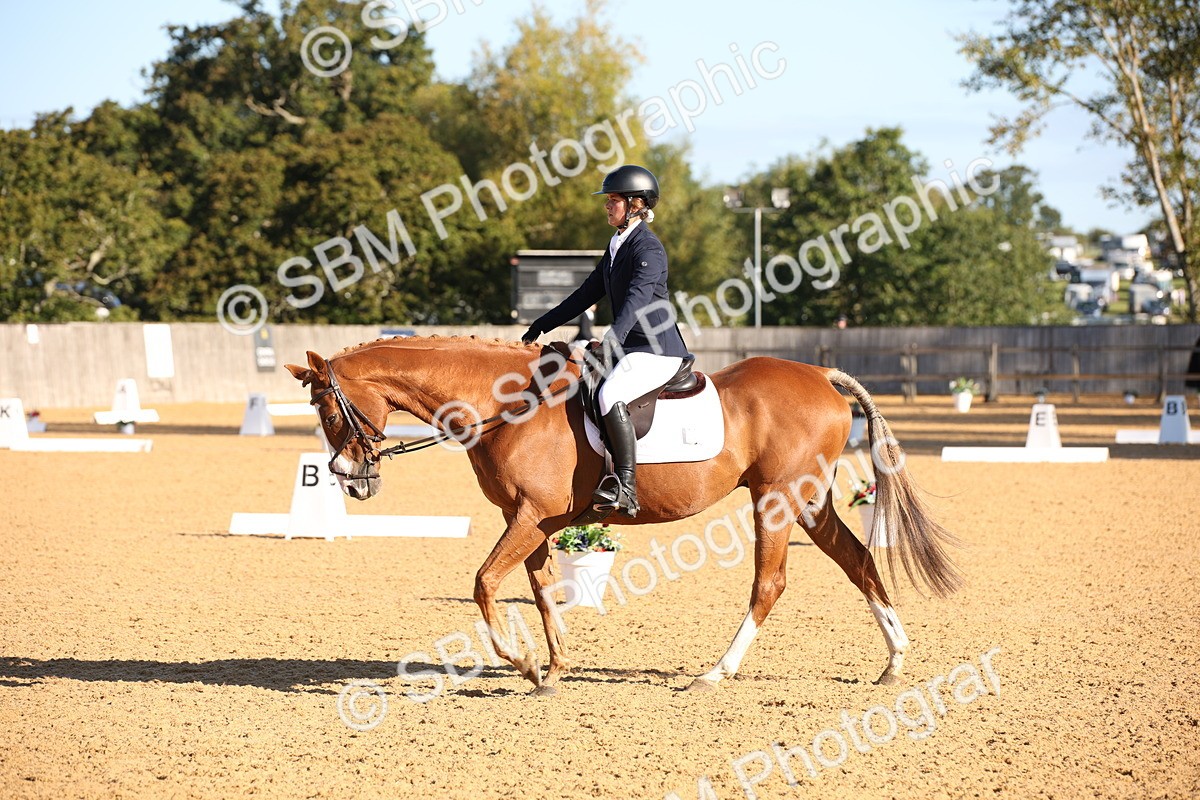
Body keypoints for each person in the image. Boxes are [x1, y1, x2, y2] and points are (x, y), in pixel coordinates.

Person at [522, 165, 689, 517]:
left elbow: (634, 305)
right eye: (608, 200)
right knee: (574, 380)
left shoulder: (648, 249)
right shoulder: (617, 244)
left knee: (611, 393)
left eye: (613, 200)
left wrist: (609, 344)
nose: (607, 206)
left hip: (656, 350)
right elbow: (586, 293)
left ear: (636, 204)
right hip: (629, 347)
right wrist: (543, 323)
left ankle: (626, 487)